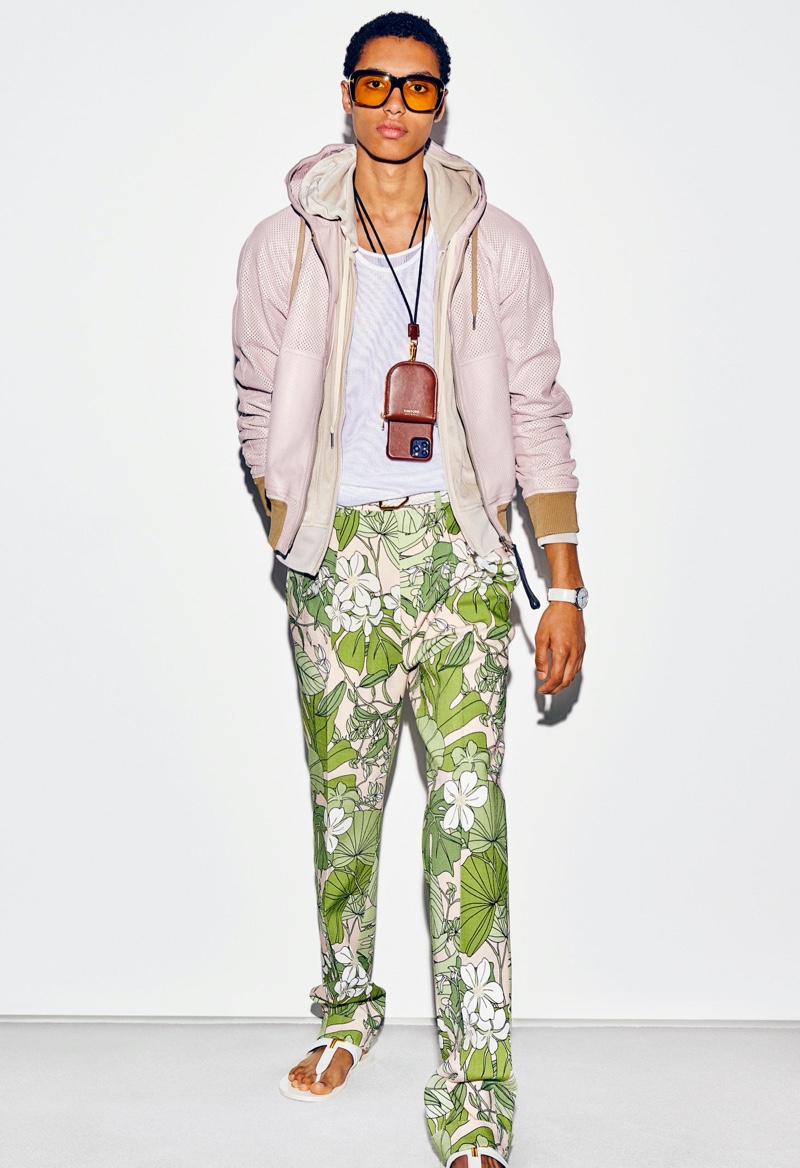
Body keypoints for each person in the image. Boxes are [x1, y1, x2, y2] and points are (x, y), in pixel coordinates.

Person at [231, 12, 587, 1167]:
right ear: (345, 94)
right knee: (344, 809)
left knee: (466, 811)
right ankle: (347, 1007)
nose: (394, 105)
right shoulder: (282, 246)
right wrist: (288, 516)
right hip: (337, 556)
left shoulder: (498, 247)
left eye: (417, 87)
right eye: (375, 84)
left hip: (462, 557)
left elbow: (535, 411)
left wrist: (563, 582)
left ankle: (475, 1089)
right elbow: (255, 396)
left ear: (442, 100)